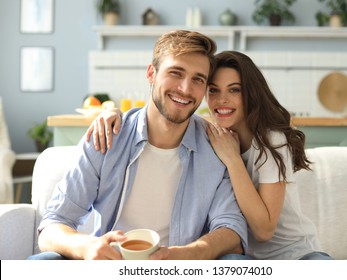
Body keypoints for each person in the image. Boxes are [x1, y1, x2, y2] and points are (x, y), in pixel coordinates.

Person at [88, 50, 333, 260]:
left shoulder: (271, 141)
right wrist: (115, 114)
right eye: (214, 90)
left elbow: (264, 230)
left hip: (297, 256)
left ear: (251, 93)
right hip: (241, 258)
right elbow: (165, 117)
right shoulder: (212, 135)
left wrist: (233, 160)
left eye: (234, 90)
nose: (222, 100)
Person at [30, 31, 248, 260]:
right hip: (111, 265)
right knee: (42, 262)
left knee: (238, 263)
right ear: (151, 74)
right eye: (176, 73)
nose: (185, 89)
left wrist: (187, 254)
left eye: (198, 79)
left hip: (180, 268)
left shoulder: (215, 146)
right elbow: (52, 226)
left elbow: (232, 229)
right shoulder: (107, 135)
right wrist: (85, 247)